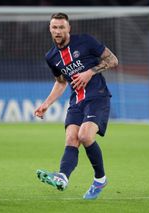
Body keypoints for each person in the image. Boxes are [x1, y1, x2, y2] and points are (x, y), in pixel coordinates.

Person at [34, 12, 118, 200]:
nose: (58, 31)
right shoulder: (51, 56)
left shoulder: (86, 41)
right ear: (50, 29)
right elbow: (61, 82)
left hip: (97, 97)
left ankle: (100, 179)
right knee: (71, 138)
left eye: (61, 27)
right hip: (76, 102)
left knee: (84, 135)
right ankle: (62, 177)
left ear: (69, 28)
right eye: (54, 27)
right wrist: (46, 104)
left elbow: (113, 60)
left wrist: (90, 72)